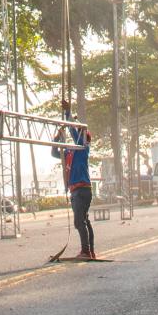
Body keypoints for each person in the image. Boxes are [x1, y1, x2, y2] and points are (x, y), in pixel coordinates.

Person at [52, 103, 95, 260]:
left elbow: (75, 133)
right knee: (84, 221)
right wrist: (58, 135)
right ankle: (90, 251)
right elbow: (54, 152)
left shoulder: (83, 149)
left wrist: (68, 114)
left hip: (82, 190)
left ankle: (86, 251)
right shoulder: (70, 153)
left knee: (79, 222)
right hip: (76, 191)